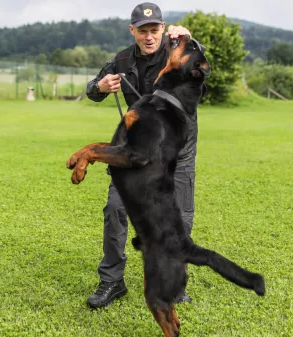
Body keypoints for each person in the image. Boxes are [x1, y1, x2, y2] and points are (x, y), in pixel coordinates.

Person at [85, 2, 201, 309]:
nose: (149, 37)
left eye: (154, 30)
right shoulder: (122, 59)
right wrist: (100, 85)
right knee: (115, 210)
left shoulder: (178, 51)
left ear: (163, 29)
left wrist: (190, 40)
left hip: (178, 154)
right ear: (132, 30)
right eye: (142, 31)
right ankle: (112, 281)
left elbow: (202, 69)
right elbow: (92, 90)